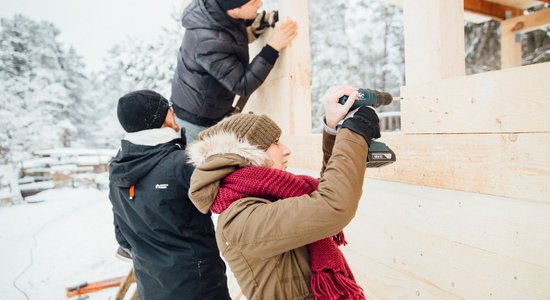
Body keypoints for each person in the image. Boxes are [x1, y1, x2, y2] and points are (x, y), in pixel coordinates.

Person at [186, 85, 381, 299]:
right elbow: (332, 205)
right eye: (275, 143)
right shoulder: (239, 220)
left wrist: (333, 130)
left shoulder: (267, 198)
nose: (287, 149)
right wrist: (355, 131)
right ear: (251, 155)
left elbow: (326, 191)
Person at [108, 90, 231, 300]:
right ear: (163, 116)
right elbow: (231, 201)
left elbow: (123, 238)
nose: (173, 113)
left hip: (151, 288)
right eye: (169, 109)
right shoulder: (183, 164)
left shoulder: (117, 171)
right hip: (200, 287)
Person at [170, 0, 298, 142]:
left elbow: (226, 34)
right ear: (233, 9)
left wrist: (251, 26)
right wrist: (273, 47)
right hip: (196, 123)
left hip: (204, 108)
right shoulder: (208, 42)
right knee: (202, 163)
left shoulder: (217, 12)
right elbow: (242, 85)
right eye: (252, 2)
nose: (260, 4)